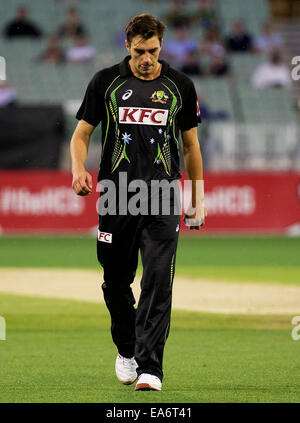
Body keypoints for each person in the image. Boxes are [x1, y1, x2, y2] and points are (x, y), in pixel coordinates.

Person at [70, 13, 206, 392]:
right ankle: (127, 350)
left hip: (162, 194)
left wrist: (196, 197)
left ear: (162, 47)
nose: (147, 59)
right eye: (140, 51)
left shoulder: (180, 85)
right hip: (116, 196)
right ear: (127, 47)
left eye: (154, 51)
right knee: (116, 282)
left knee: (158, 282)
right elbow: (81, 134)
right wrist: (78, 168)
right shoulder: (106, 82)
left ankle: (150, 369)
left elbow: (191, 145)